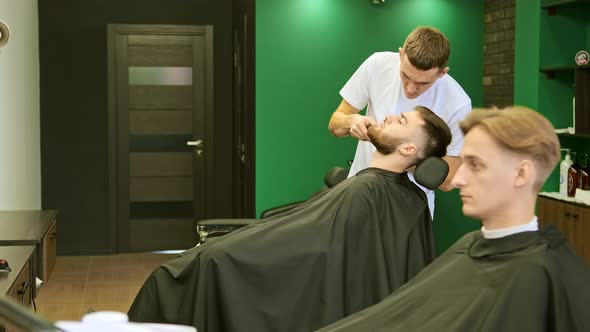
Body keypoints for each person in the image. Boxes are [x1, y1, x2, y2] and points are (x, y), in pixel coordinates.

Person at [128, 106, 452, 332]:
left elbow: (312, 248)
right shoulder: (401, 196)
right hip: (286, 248)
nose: (391, 114)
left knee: (178, 273)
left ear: (409, 149)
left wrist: (226, 251)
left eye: (402, 120)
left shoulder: (369, 191)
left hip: (278, 265)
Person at [317, 106, 590, 332]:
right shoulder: (468, 246)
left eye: (475, 165)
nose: (457, 179)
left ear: (521, 174)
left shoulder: (546, 278)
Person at [329, 26, 471, 217]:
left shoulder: (458, 104)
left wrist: (397, 150)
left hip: (408, 211)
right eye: (405, 76)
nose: (411, 89)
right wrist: (350, 121)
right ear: (401, 55)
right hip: (360, 194)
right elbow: (335, 124)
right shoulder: (377, 65)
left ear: (442, 73)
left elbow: (448, 180)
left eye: (423, 84)